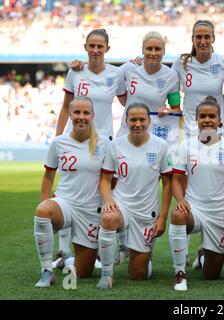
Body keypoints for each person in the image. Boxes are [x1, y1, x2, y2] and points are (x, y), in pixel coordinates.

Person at [53, 29, 127, 267]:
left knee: (104, 192)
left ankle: (101, 249)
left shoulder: (117, 74)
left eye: (100, 46)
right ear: (85, 47)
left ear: (107, 48)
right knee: (67, 190)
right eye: (91, 46)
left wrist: (136, 62)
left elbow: (128, 102)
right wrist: (57, 139)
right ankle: (63, 252)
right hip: (73, 140)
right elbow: (66, 107)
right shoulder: (75, 72)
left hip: (103, 141)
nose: (95, 50)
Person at [34, 96, 109, 287]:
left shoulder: (104, 144)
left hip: (91, 211)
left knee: (83, 272)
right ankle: (46, 271)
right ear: (70, 114)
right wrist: (44, 202)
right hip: (65, 203)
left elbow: (110, 180)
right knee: (43, 212)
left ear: (93, 115)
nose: (81, 117)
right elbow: (48, 176)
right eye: (77, 112)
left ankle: (65, 260)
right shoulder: (59, 142)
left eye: (86, 113)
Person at [96, 102, 172, 289]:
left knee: (138, 275)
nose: (137, 124)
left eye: (142, 119)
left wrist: (162, 218)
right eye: (133, 120)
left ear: (148, 121)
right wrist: (108, 200)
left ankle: (143, 256)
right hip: (122, 205)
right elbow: (105, 179)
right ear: (126, 121)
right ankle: (106, 274)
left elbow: (168, 183)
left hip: (147, 212)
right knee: (108, 217)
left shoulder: (161, 146)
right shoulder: (115, 145)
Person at [169, 97, 224, 291]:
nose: (207, 120)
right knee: (177, 214)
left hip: (219, 213)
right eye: (203, 116)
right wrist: (181, 199)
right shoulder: (185, 146)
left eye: (211, 116)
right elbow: (176, 179)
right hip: (194, 209)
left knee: (211, 275)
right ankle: (180, 273)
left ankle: (203, 255)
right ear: (196, 119)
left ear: (219, 120)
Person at [171, 20, 224, 137]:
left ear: (213, 39)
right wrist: (174, 107)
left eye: (207, 37)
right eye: (199, 37)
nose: (203, 41)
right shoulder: (181, 63)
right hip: (189, 132)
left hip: (217, 132)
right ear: (192, 39)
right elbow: (168, 87)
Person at [116, 31, 181, 138]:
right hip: (126, 133)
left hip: (152, 137)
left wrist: (168, 111)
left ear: (164, 51)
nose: (153, 53)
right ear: (142, 50)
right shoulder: (130, 67)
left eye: (158, 49)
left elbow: (176, 109)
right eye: (149, 49)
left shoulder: (172, 76)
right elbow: (108, 76)